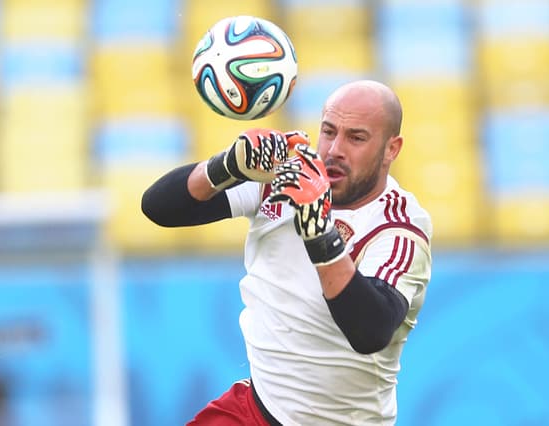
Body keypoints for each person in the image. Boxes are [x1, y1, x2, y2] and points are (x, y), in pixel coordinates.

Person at [142, 80, 432, 425]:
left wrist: (319, 235)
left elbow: (369, 332)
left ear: (391, 149)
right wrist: (226, 167)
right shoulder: (281, 180)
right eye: (328, 131)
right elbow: (160, 208)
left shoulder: (399, 226)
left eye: (356, 138)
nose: (335, 149)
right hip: (254, 410)